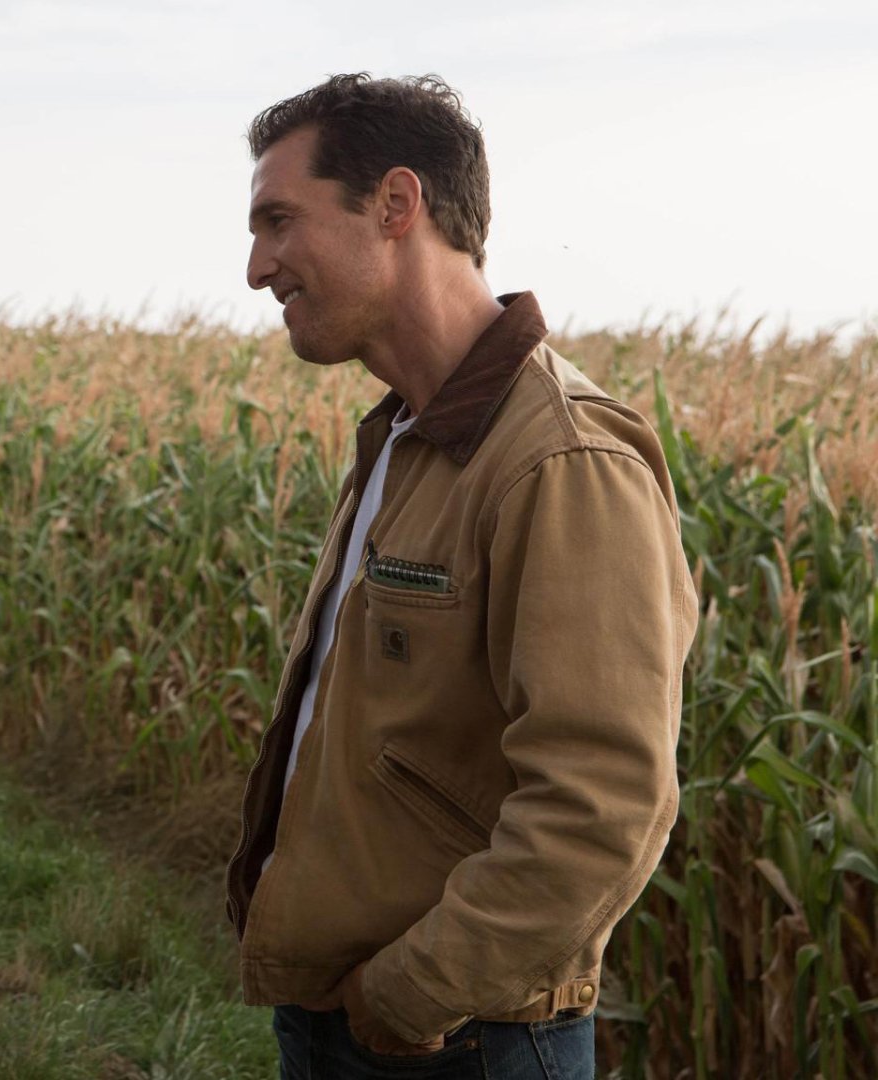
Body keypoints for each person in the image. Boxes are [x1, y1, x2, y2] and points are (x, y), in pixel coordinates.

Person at [223, 74, 697, 1078]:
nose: (258, 266)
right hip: (346, 1022)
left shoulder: (561, 459)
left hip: (465, 1041)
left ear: (396, 207)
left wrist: (413, 993)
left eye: (278, 220)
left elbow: (601, 801)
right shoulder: (408, 437)